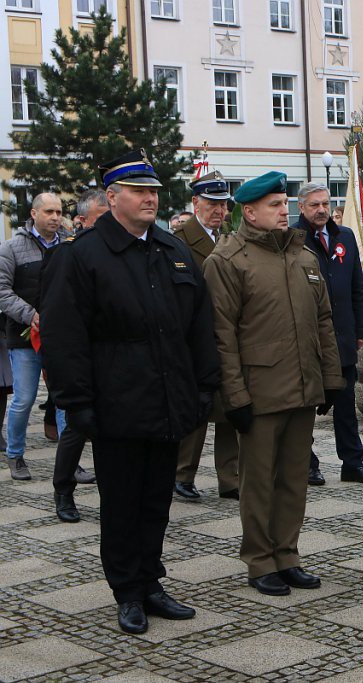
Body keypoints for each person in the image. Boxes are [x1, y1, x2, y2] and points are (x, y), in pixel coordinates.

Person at [42, 149, 220, 634]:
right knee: (121, 503)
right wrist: (75, 403)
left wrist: (206, 385)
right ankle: (127, 590)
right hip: (116, 403)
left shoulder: (171, 249)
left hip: (167, 400)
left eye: (155, 190)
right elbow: (64, 339)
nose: (151, 198)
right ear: (113, 197)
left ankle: (151, 580)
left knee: (156, 500)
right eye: (140, 191)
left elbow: (199, 326)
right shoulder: (80, 257)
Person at [203, 171, 344, 597]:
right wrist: (235, 396)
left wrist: (332, 378)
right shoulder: (227, 261)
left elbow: (323, 322)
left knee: (294, 478)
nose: (286, 211)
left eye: (285, 204)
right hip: (259, 392)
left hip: (303, 386)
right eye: (275, 206)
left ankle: (288, 554)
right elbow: (220, 336)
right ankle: (259, 560)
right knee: (259, 481)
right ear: (249, 211)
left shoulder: (304, 257)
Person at [294, 182, 363, 486]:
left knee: (346, 404)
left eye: (325, 204)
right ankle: (307, 463)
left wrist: (361, 329)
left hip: (342, 336)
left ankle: (353, 463)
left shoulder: (344, 236)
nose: (321, 210)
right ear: (301, 207)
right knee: (305, 406)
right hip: (308, 338)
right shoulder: (293, 238)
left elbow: (358, 286)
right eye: (314, 205)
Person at [172, 171, 240, 500]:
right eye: (211, 203)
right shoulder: (180, 239)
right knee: (197, 410)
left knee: (229, 408)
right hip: (194, 338)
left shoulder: (229, 235)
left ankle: (230, 478)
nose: (219, 210)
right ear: (195, 202)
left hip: (227, 335)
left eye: (223, 204)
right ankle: (182, 474)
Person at [48, 190, 108, 523]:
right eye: (102, 216)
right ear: (82, 220)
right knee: (76, 429)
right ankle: (63, 490)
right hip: (81, 360)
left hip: (113, 360)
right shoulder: (67, 254)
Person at [0, 192, 69, 481]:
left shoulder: (70, 246)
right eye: (49, 212)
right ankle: (15, 455)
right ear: (34, 214)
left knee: (66, 401)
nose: (55, 217)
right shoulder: (12, 248)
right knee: (24, 399)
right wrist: (32, 316)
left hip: (62, 338)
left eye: (59, 212)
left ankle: (69, 459)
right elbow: (2, 291)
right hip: (24, 337)